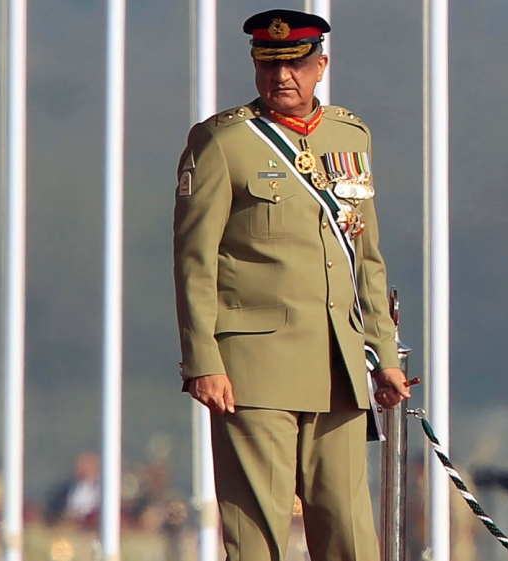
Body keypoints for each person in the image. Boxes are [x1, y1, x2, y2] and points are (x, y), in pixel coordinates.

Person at [172, 9, 411, 560]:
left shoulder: (350, 134)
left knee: (349, 531)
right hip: (254, 367)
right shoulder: (223, 141)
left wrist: (382, 352)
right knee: (257, 533)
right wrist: (203, 360)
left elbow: (365, 257)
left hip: (338, 364)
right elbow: (194, 260)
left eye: (297, 64)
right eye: (269, 64)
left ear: (320, 65)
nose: (283, 77)